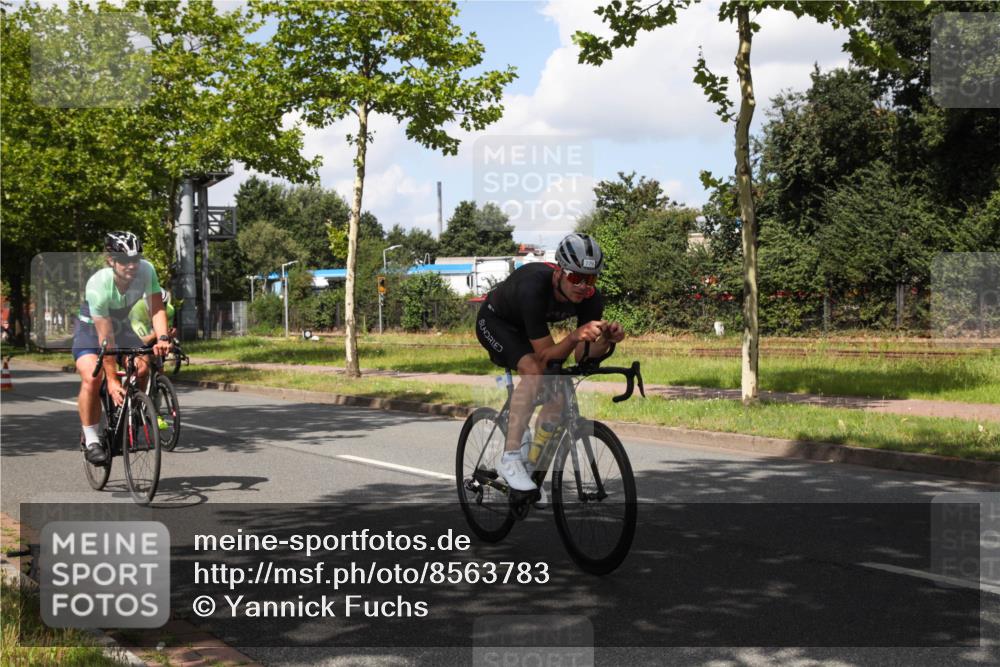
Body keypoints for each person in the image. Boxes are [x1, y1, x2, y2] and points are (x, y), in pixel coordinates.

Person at [474, 233, 625, 493]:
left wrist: (606, 342)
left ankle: (531, 466)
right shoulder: (533, 286)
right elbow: (545, 358)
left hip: (528, 329)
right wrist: (575, 335)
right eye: (576, 277)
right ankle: (510, 457)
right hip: (496, 322)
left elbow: (581, 356)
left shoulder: (591, 298)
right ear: (558, 272)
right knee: (534, 371)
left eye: (590, 279)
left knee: (558, 396)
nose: (583, 286)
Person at [72, 232, 172, 464]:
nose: (132, 265)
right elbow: (105, 339)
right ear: (111, 260)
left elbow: (157, 308)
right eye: (125, 260)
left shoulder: (147, 271)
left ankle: (130, 410)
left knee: (143, 366)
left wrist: (163, 337)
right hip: (91, 329)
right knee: (92, 377)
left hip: (122, 325)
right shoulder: (98, 285)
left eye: (135, 259)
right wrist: (112, 379)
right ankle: (91, 439)